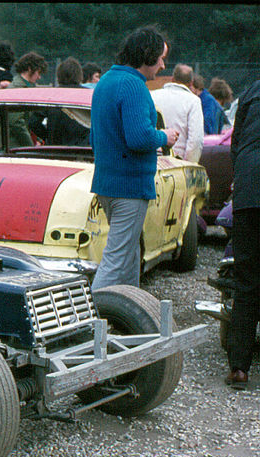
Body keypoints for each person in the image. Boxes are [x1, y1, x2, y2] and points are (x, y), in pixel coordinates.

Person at [89, 26, 179, 290]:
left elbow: (94, 138)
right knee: (116, 259)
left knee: (130, 255)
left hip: (107, 184)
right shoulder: (135, 86)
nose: (163, 65)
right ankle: (91, 324)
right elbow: (139, 138)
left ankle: (128, 313)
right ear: (147, 54)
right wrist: (165, 137)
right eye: (161, 58)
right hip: (129, 187)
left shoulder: (105, 81)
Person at [224, 79, 260, 389]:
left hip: (249, 190)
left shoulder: (250, 91)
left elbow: (236, 144)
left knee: (246, 282)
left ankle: (239, 368)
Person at [150, 63, 204, 162]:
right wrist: (189, 166)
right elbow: (195, 140)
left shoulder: (152, 95)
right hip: (177, 163)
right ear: (191, 83)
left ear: (172, 78)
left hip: (152, 159)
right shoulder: (193, 101)